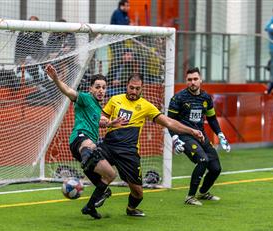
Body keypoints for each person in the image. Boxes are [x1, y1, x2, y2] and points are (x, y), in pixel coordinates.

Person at [99, 73, 205, 217]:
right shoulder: (114, 100)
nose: (134, 91)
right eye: (131, 88)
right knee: (91, 162)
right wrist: (107, 122)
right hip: (110, 146)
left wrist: (192, 131)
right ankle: (101, 193)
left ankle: (130, 209)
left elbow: (169, 122)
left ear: (142, 89)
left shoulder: (146, 106)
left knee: (138, 193)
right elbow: (102, 117)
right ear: (126, 86)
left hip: (129, 152)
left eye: (137, 89)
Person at [44, 64, 126, 219]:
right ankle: (88, 157)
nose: (101, 90)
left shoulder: (96, 107)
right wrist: (55, 78)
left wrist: (110, 123)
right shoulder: (85, 98)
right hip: (80, 139)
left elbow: (99, 121)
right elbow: (68, 91)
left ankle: (89, 207)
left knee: (110, 176)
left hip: (85, 148)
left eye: (103, 87)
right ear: (91, 89)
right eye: (98, 87)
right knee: (90, 145)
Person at [167, 67, 230, 206]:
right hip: (185, 136)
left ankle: (203, 192)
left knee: (216, 168)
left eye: (195, 79)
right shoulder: (178, 98)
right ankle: (190, 196)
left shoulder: (206, 98)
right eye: (189, 80)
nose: (193, 82)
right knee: (202, 160)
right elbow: (170, 122)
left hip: (201, 135)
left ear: (200, 80)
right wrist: (175, 139)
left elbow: (212, 118)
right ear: (186, 81)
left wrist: (220, 134)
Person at [14, 16, 45, 81]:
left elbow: (41, 48)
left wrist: (38, 59)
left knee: (39, 77)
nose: (33, 25)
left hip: (35, 63)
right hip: (23, 63)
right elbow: (18, 47)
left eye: (35, 23)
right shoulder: (22, 33)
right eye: (31, 23)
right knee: (22, 79)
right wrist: (21, 61)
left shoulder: (38, 34)